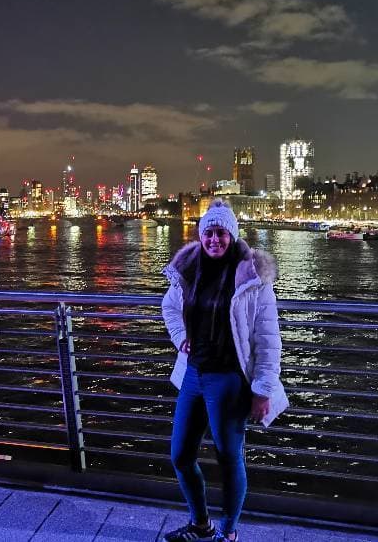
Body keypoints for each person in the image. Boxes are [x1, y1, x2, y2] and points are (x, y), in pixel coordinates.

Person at [161, 199, 288, 542]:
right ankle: (201, 525)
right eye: (208, 233)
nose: (214, 239)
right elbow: (170, 307)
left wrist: (262, 389)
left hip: (229, 379)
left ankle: (228, 532)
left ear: (231, 235)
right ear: (201, 235)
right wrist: (180, 337)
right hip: (193, 373)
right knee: (181, 455)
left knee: (229, 457)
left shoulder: (252, 277)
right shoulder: (189, 269)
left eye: (221, 233)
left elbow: (268, 338)